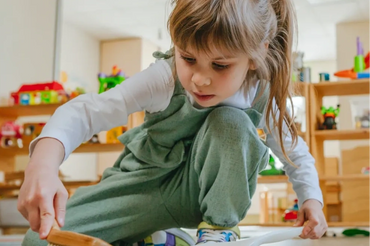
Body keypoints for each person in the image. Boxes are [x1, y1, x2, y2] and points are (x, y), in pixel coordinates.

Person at [19, 0, 328, 245]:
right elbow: (89, 111)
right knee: (39, 238)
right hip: (141, 184)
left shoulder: (259, 90)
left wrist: (310, 197)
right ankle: (158, 238)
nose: (200, 78)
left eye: (220, 65)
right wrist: (43, 165)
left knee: (231, 123)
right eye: (188, 58)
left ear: (256, 54)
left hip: (203, 196)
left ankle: (218, 232)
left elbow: (294, 149)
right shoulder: (164, 77)